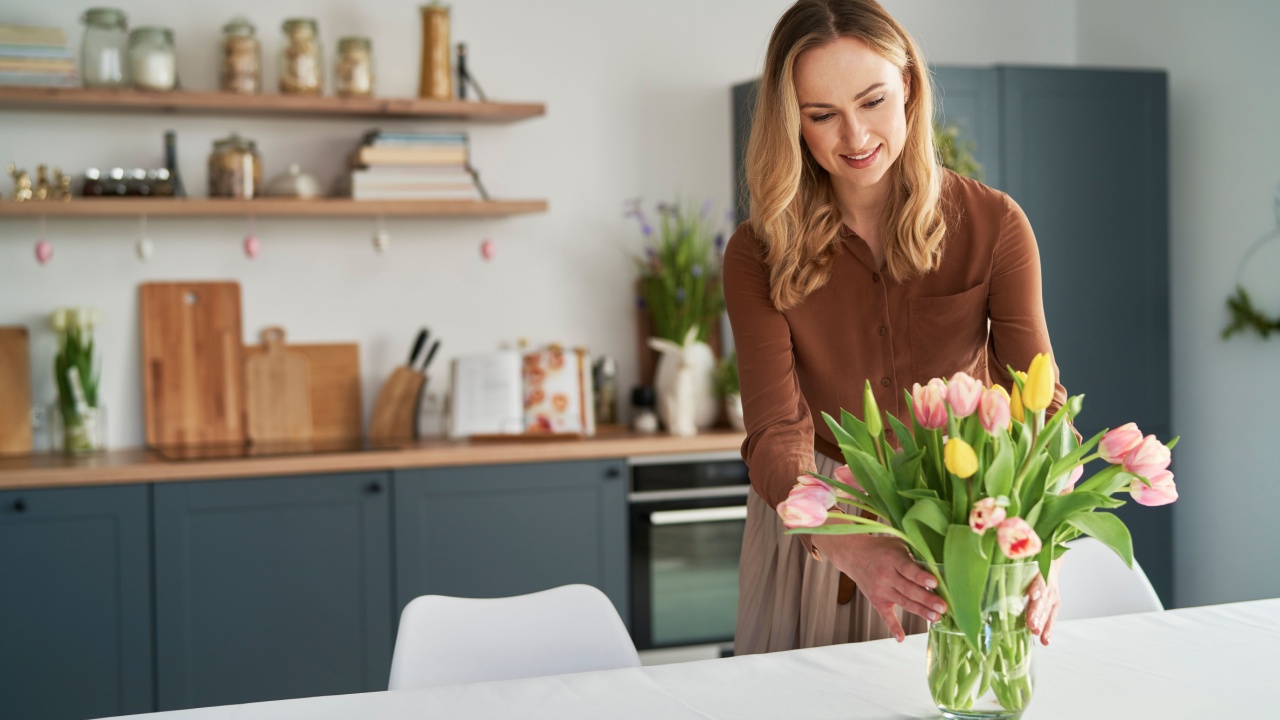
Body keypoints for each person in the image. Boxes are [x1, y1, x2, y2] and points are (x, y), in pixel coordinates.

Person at [724, 0, 1069, 655]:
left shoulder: (995, 226)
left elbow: (1039, 404)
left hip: (962, 511)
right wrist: (849, 542)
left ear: (908, 85)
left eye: (873, 101)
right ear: (790, 122)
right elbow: (774, 431)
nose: (855, 136)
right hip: (819, 524)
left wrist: (1037, 542)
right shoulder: (757, 251)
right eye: (822, 115)